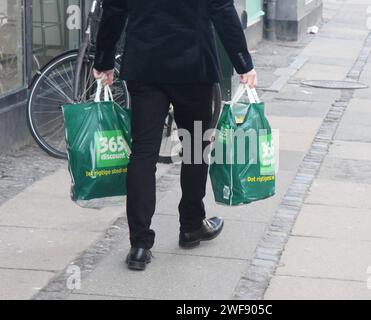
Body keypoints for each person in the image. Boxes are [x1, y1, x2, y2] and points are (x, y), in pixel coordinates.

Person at [92, 0, 257, 271]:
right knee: (194, 146)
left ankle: (140, 244)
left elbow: (114, 9)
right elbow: (222, 9)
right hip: (193, 64)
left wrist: (104, 61)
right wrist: (243, 63)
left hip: (145, 64)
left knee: (143, 152)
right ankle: (191, 226)